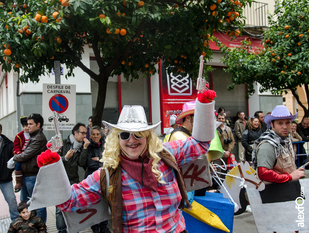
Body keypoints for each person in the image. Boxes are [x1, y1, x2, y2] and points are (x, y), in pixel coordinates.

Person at [37, 88, 216, 232]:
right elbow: (69, 202)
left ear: (148, 136)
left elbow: (200, 144)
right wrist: (52, 168)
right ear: (117, 138)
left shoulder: (165, 154)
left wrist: (204, 106)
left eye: (138, 134)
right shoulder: (107, 174)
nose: (132, 140)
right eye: (125, 135)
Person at [254, 105, 305, 183]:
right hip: (271, 193)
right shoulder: (268, 145)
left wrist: (294, 172)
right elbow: (263, 173)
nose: (285, 126)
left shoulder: (286, 141)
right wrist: (290, 177)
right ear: (272, 124)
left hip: (286, 190)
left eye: (288, 122)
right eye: (280, 123)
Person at [13, 113, 47, 223]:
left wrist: (14, 158)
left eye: (30, 124)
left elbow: (25, 155)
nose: (28, 126)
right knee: (25, 204)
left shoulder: (39, 138)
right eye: (27, 124)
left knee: (38, 205)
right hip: (27, 175)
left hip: (33, 175)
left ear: (38, 125)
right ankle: (29, 227)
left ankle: (41, 227)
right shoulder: (34, 136)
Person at [55, 123, 90, 233]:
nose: (85, 135)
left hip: (73, 180)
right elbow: (54, 161)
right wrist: (65, 158)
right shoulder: (63, 144)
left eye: (86, 133)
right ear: (75, 133)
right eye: (83, 133)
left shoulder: (81, 146)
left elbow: (81, 163)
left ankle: (75, 229)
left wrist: (84, 148)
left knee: (74, 207)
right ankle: (62, 230)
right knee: (60, 209)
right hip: (60, 180)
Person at [85, 126, 110, 233]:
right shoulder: (88, 146)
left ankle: (104, 227)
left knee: (104, 203)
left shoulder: (106, 145)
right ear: (90, 135)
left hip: (104, 177)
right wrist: (102, 161)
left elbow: (108, 160)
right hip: (91, 179)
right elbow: (89, 163)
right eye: (93, 134)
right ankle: (95, 227)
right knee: (93, 204)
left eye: (97, 134)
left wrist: (98, 159)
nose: (95, 136)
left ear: (101, 135)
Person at [13, 116, 30, 192]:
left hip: (30, 154)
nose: (26, 128)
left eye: (27, 126)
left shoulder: (33, 135)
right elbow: (16, 145)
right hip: (21, 153)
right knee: (18, 165)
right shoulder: (19, 135)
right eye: (24, 126)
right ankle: (18, 182)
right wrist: (19, 153)